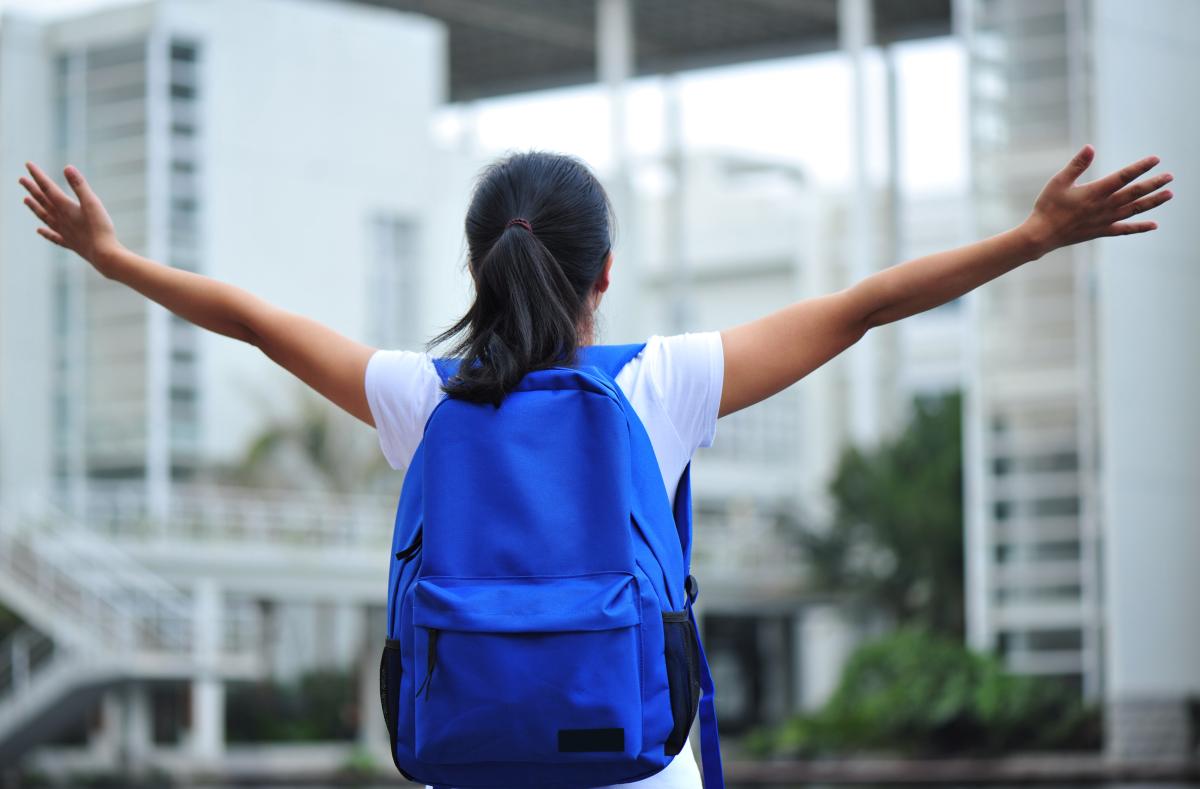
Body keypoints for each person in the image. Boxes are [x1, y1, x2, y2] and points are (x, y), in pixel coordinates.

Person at [19, 145, 1171, 788]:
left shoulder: (423, 398)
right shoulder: (655, 386)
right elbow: (863, 307)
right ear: (604, 273)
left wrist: (114, 260)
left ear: (478, 268)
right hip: (635, 764)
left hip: (469, 760)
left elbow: (257, 321)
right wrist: (1035, 236)